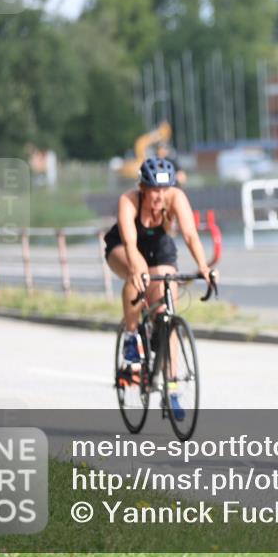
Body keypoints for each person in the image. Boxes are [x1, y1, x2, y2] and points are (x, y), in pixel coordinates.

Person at [103, 157, 212, 420]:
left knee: (166, 309)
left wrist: (204, 268)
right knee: (135, 274)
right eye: (154, 191)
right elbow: (130, 245)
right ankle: (131, 336)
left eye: (164, 191)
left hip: (159, 247)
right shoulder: (128, 200)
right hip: (124, 246)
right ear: (143, 188)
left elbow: (189, 235)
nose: (159, 197)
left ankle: (171, 387)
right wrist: (139, 270)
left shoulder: (176, 198)